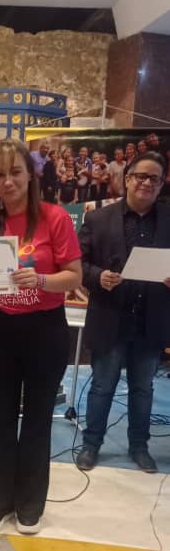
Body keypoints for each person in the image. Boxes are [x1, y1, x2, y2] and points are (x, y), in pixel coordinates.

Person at [0, 139, 82, 536]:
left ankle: (30, 505)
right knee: (1, 417)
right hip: (4, 329)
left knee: (37, 418)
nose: (7, 181)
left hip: (46, 329)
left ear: (31, 174)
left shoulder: (54, 218)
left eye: (15, 172)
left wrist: (40, 279)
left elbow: (74, 275)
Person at [76, 151, 170, 473]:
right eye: (140, 176)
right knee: (102, 385)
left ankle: (139, 447)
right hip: (110, 317)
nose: (146, 182)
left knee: (144, 389)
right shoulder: (97, 218)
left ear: (161, 184)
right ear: (127, 179)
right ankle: (91, 444)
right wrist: (96, 276)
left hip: (151, 320)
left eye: (154, 178)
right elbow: (77, 264)